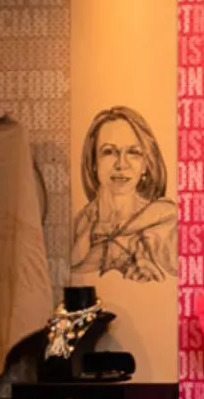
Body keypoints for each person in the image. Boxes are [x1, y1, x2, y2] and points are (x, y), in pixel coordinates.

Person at [71, 106, 178, 282]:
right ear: (94, 162)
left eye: (133, 153)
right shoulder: (80, 225)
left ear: (146, 164)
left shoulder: (167, 221)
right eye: (109, 152)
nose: (121, 164)